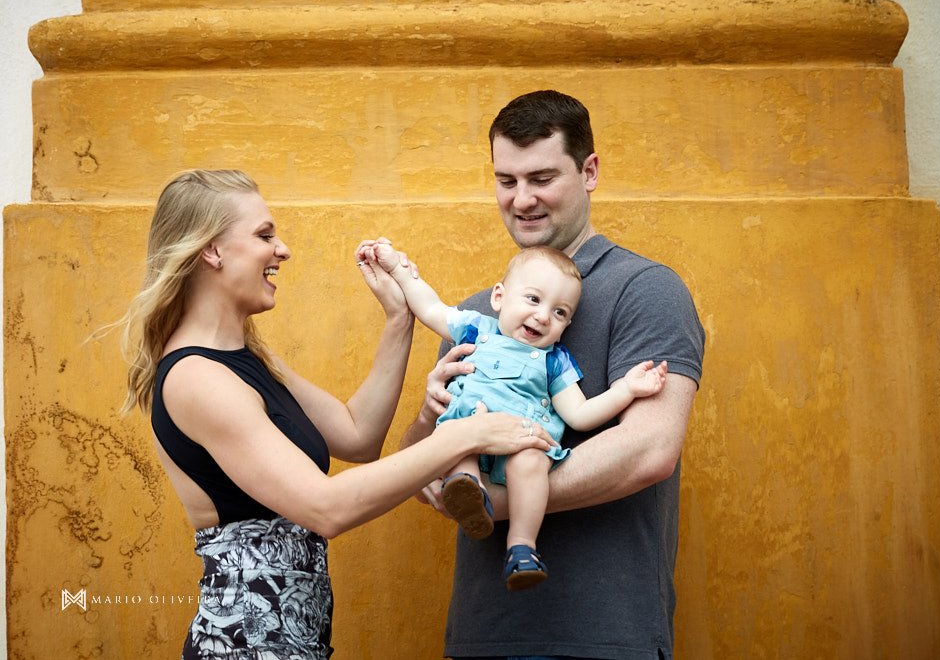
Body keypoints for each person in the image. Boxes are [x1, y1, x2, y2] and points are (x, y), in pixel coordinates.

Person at [116, 169, 557, 659]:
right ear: (212, 252)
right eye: (264, 235)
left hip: (291, 644)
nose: (281, 250)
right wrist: (467, 436)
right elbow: (325, 508)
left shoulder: (248, 361)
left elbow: (357, 435)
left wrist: (398, 319)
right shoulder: (197, 378)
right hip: (244, 646)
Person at [401, 91, 705, 659]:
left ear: (589, 171)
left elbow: (649, 450)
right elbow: (420, 477)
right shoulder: (479, 313)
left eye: (541, 178)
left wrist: (492, 500)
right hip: (481, 633)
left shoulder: (646, 290)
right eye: (506, 181)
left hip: (599, 635)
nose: (522, 200)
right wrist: (427, 416)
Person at [357, 241, 667, 591]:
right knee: (459, 439)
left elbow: (580, 414)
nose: (543, 316)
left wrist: (626, 389)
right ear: (499, 298)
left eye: (560, 312)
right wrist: (398, 270)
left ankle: (522, 548)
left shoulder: (555, 360)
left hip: (520, 439)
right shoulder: (476, 329)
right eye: (534, 299)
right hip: (468, 428)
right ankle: (468, 489)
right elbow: (429, 307)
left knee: (533, 460)